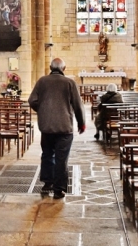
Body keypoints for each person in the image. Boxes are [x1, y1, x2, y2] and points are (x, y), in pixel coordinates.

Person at [28, 58, 86, 199]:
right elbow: (78, 105)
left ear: (50, 67)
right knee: (61, 158)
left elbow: (32, 100)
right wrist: (81, 123)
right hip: (64, 127)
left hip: (46, 127)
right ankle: (59, 190)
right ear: (63, 68)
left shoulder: (42, 81)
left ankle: (48, 183)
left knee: (47, 154)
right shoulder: (69, 83)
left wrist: (42, 111)